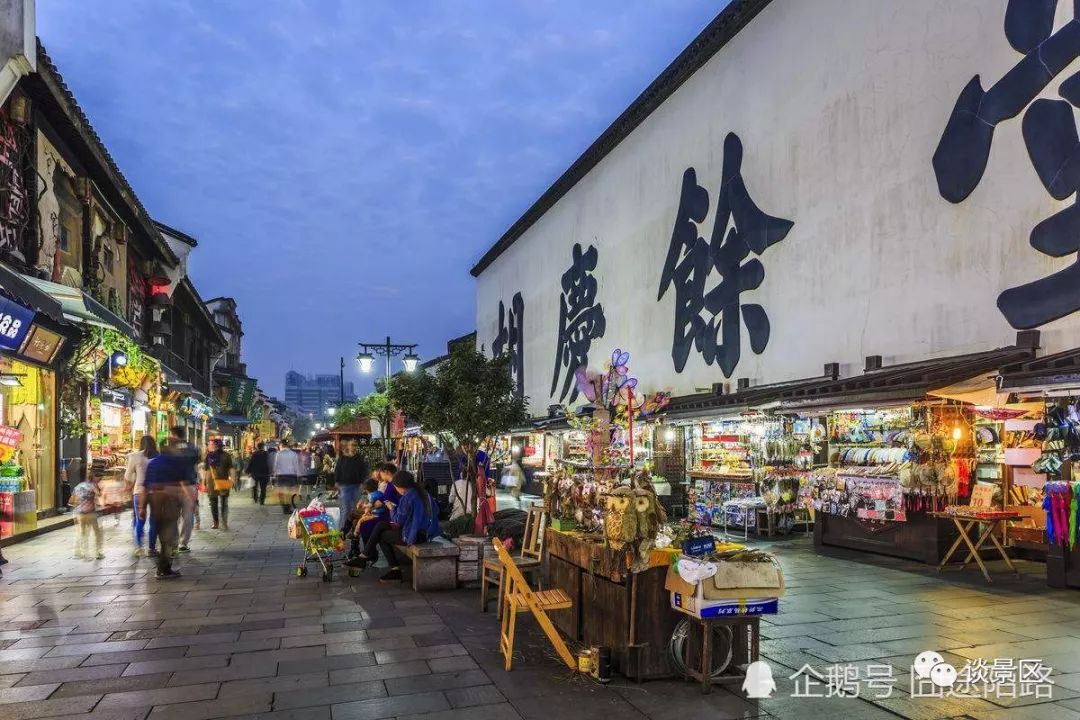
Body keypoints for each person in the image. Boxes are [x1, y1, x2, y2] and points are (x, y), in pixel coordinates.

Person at [354, 470, 440, 582]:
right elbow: (436, 510)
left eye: (395, 487)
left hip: (415, 535)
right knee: (381, 525)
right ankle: (364, 557)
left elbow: (398, 520)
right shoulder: (423, 492)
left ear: (401, 486)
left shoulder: (407, 496)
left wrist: (391, 508)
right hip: (428, 532)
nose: (396, 490)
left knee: (381, 535)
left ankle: (393, 569)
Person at [140, 437, 190, 579]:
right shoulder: (175, 463)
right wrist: (190, 500)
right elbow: (183, 484)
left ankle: (161, 562)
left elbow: (145, 486)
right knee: (171, 536)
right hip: (169, 503)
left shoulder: (153, 463)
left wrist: (141, 508)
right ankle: (163, 569)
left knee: (161, 532)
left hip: (155, 504)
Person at [125, 435, 158, 556]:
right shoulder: (158, 457)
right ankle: (152, 549)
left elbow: (127, 476)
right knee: (154, 521)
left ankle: (138, 548)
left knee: (140, 520)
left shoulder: (135, 456)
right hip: (155, 492)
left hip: (139, 491)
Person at [171, 427, 200, 553]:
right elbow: (196, 464)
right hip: (190, 484)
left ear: (173, 435)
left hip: (172, 485)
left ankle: (173, 542)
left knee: (172, 515)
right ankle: (183, 543)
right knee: (188, 515)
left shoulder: (169, 448)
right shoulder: (193, 448)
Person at [70, 466, 103, 560]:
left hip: (79, 513)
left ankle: (81, 553)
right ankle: (97, 552)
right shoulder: (92, 485)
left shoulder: (78, 486)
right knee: (97, 532)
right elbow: (98, 494)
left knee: (82, 532)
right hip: (90, 512)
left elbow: (72, 500)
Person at [334, 440, 369, 529]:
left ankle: (356, 528)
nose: (353, 447)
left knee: (356, 509)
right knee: (345, 509)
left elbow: (364, 471)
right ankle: (342, 529)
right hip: (345, 486)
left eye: (355, 445)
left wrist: (363, 482)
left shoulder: (360, 458)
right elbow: (337, 470)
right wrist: (336, 481)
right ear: (348, 446)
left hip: (357, 486)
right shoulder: (342, 458)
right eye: (351, 445)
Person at [205, 439, 234, 530]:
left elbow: (206, 470)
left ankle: (216, 523)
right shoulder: (227, 456)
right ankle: (224, 522)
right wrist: (233, 480)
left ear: (215, 446)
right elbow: (231, 469)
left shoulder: (209, 456)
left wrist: (204, 481)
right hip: (223, 481)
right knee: (224, 502)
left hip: (211, 481)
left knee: (213, 502)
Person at [273, 440, 304, 515]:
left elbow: (276, 465)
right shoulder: (293, 454)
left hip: (281, 475)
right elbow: (296, 465)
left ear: (281, 445)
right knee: (289, 492)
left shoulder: (279, 454)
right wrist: (298, 475)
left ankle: (284, 506)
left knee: (281, 492)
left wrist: (274, 475)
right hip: (291, 475)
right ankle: (288, 506)